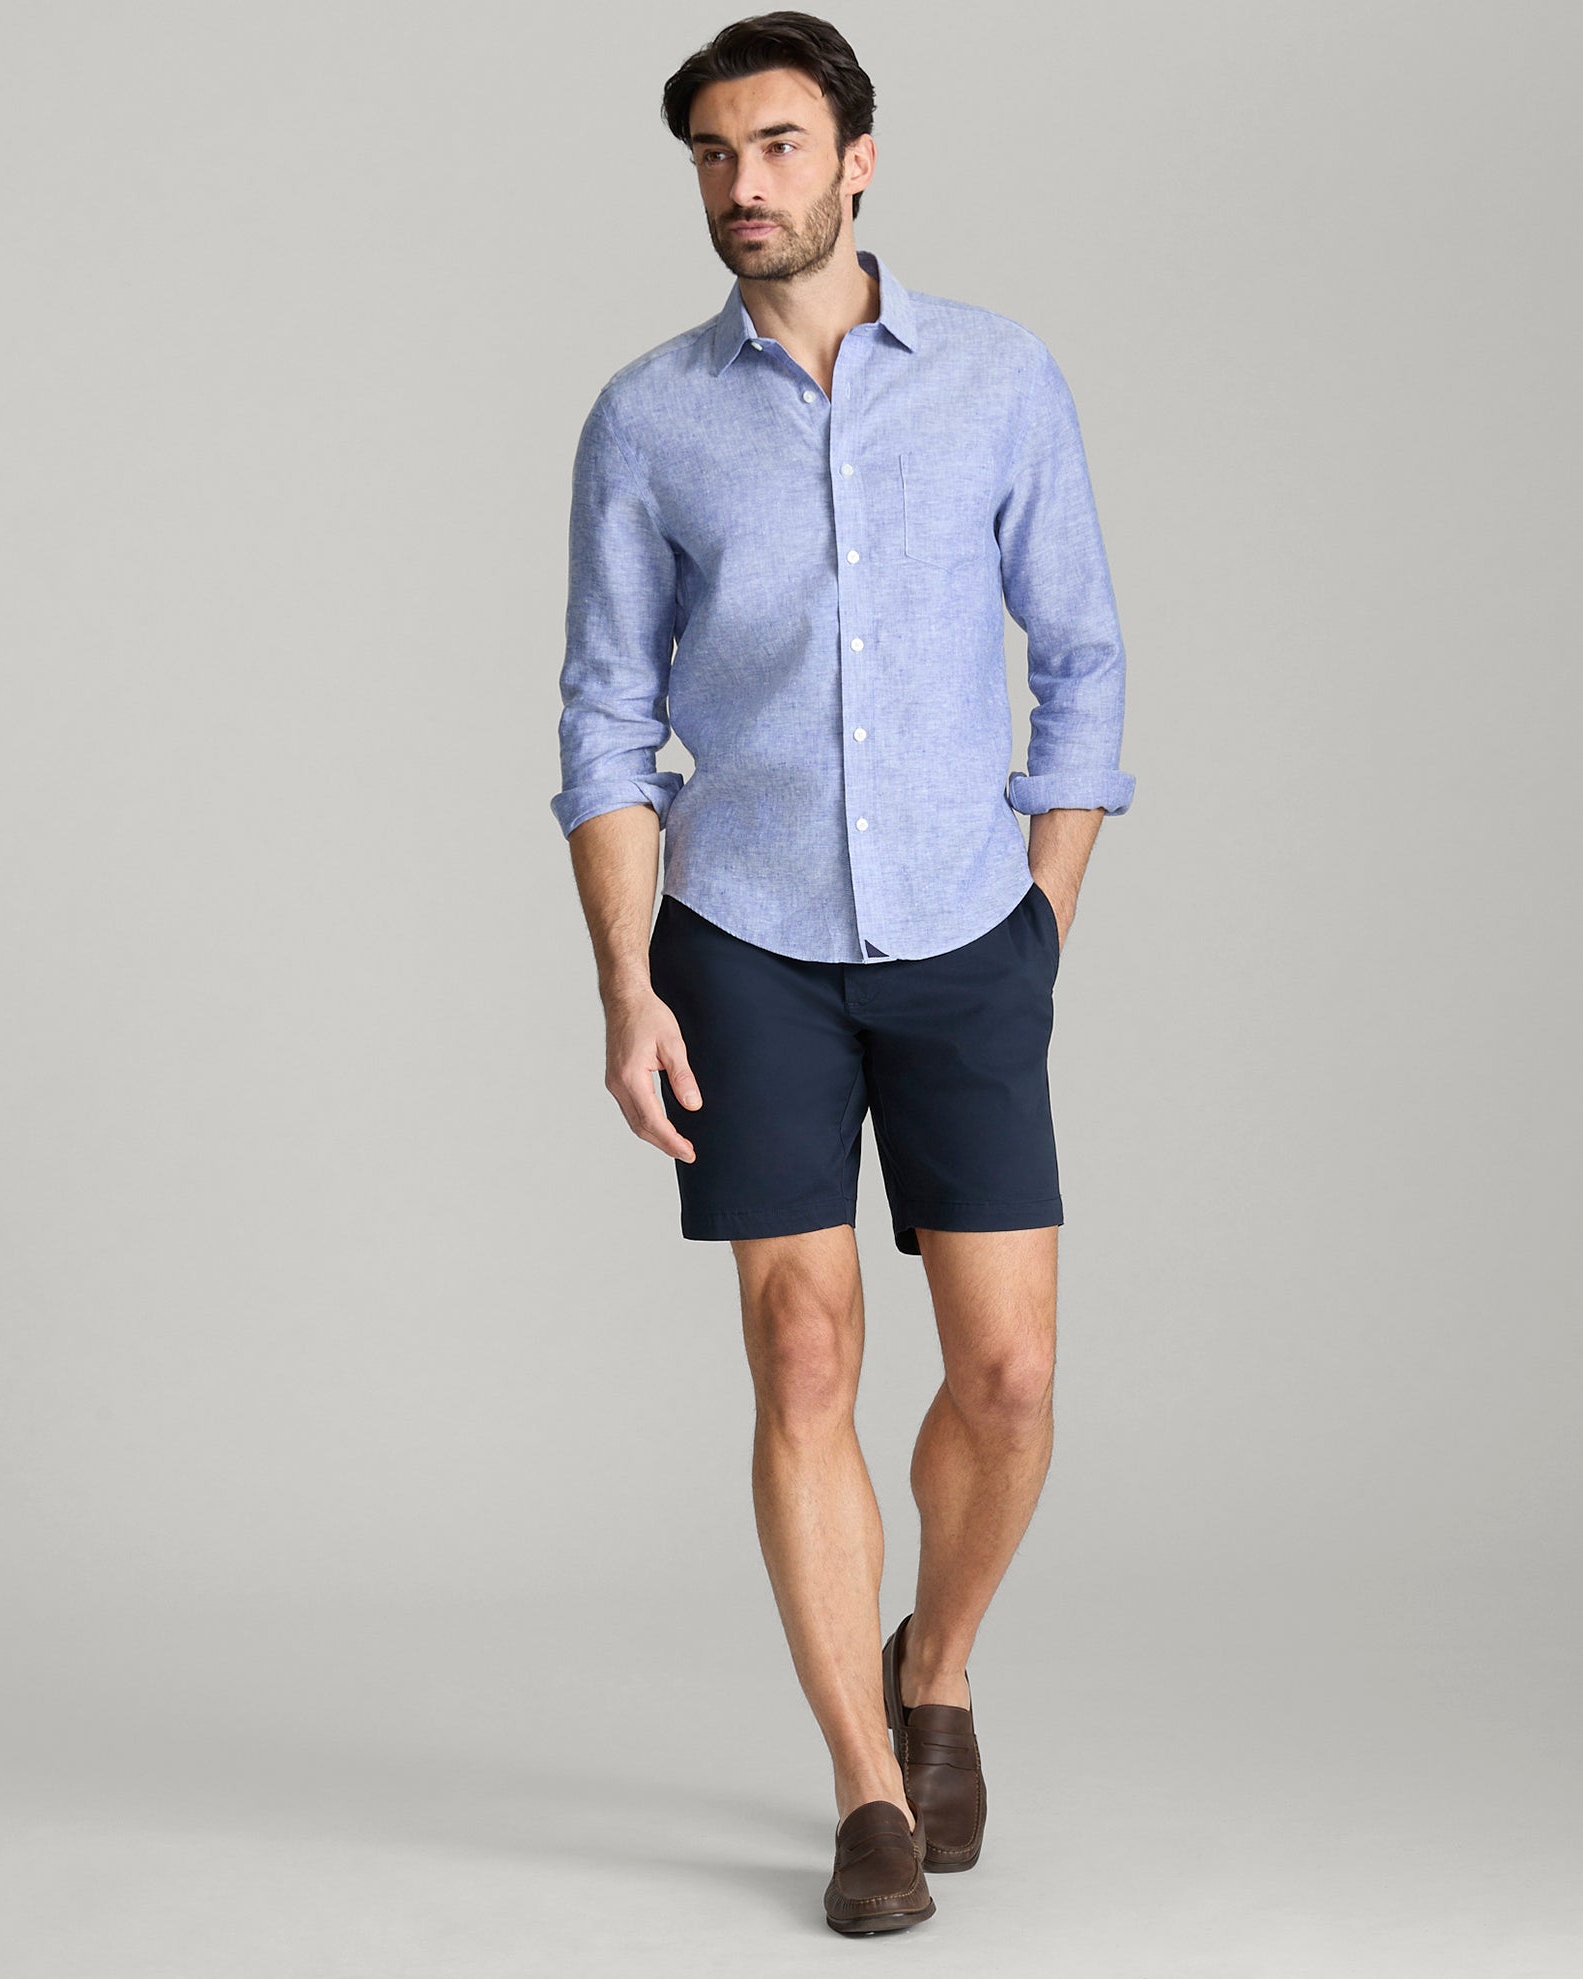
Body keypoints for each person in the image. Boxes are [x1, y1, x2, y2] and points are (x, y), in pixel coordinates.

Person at [548, 11, 1135, 1937]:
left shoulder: (999, 379)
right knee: (803, 1353)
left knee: (1011, 1378)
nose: (747, 186)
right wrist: (627, 985)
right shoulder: (647, 420)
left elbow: (1082, 658)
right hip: (747, 942)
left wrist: (1042, 915)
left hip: (970, 934)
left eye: (782, 145)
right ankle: (868, 1794)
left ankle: (934, 1665)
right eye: (716, 155)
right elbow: (606, 719)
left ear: (859, 159)